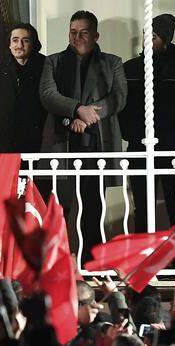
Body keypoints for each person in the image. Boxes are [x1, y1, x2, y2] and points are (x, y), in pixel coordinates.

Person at [39, 10, 127, 263]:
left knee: (93, 207)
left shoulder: (113, 62)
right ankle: (58, 264)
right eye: (73, 32)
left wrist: (89, 115)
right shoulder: (53, 61)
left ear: (96, 35)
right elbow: (47, 94)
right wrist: (77, 110)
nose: (77, 37)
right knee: (60, 207)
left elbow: (118, 98)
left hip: (97, 145)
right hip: (61, 144)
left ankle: (91, 263)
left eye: (83, 32)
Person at [119, 14, 175, 233]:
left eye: (154, 36)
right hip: (139, 146)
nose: (148, 39)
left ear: (165, 39)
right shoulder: (131, 69)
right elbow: (122, 107)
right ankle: (144, 262)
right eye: (146, 34)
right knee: (143, 209)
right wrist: (131, 134)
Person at [0, 23, 46, 152]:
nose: (19, 45)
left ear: (33, 44)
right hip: (4, 143)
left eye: (25, 41)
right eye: (15, 40)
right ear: (9, 44)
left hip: (36, 142)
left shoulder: (45, 67)